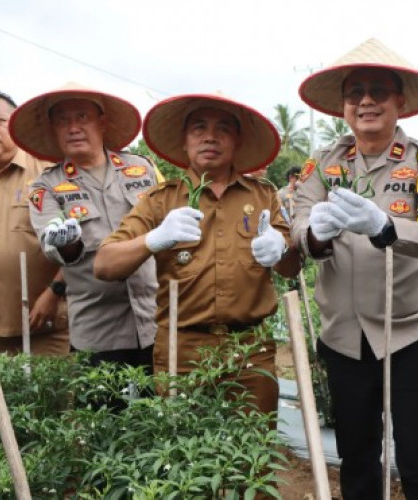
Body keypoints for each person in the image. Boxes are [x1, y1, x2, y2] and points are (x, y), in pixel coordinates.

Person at [292, 38, 418, 499]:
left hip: (412, 331)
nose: (366, 101)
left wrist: (385, 225)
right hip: (343, 336)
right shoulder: (321, 166)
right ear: (343, 106)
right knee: (357, 457)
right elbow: (300, 224)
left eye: (379, 91)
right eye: (355, 92)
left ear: (400, 101)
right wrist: (313, 232)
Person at [93, 93, 300, 418]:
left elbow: (292, 268)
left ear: (237, 141)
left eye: (223, 129)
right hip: (183, 350)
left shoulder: (264, 196)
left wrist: (281, 248)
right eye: (199, 128)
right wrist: (153, 239)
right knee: (183, 458)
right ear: (185, 141)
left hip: (250, 350)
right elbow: (104, 264)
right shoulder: (160, 201)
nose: (210, 137)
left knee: (253, 454)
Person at [10, 83, 158, 370]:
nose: (73, 127)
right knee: (104, 413)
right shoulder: (45, 186)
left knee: (163, 411)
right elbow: (56, 248)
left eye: (82, 117)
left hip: (155, 321)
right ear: (53, 129)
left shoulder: (141, 169)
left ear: (102, 122)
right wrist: (66, 242)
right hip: (98, 332)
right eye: (63, 120)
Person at [0, 90, 69, 356]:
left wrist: (55, 291)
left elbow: (85, 238)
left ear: (14, 125)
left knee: (51, 398)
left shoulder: (49, 172)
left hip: (44, 327)